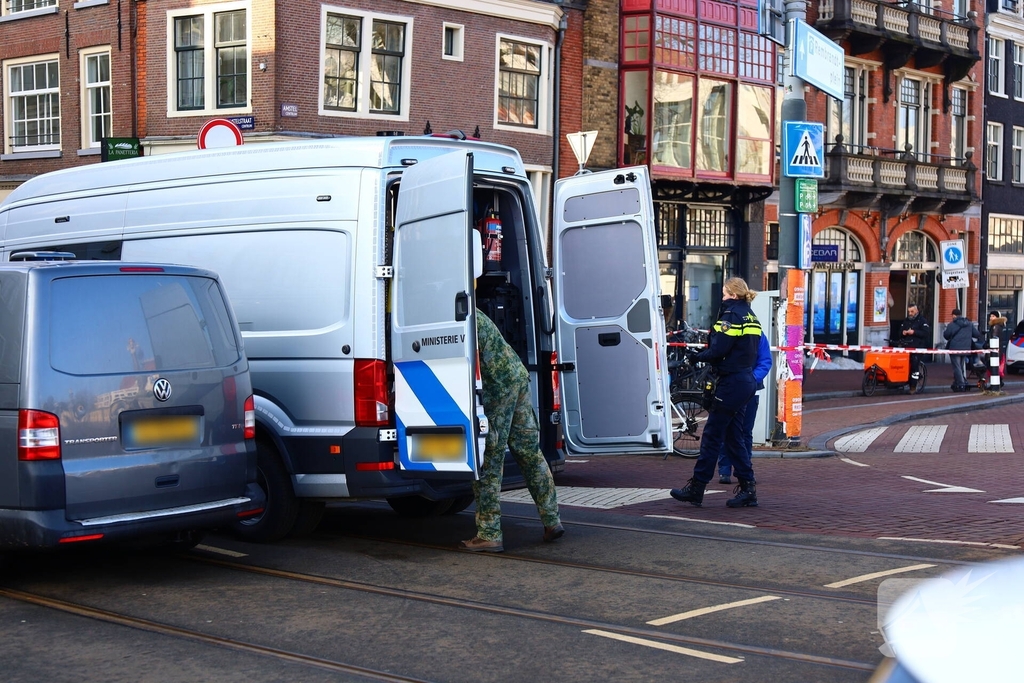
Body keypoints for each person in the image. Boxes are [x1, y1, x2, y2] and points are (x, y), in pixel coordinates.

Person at [460, 309, 563, 552]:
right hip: (516, 376)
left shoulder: (457, 313)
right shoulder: (471, 308)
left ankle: (489, 533)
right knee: (530, 453)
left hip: (497, 385)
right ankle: (552, 520)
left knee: (488, 457)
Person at [670, 277, 762, 508]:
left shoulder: (731, 316)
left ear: (732, 294)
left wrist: (695, 357)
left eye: (723, 294)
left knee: (712, 436)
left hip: (731, 383)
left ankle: (696, 488)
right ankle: (748, 489)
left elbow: (719, 349)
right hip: (745, 381)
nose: (721, 298)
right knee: (733, 437)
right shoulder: (751, 316)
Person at [718, 331, 772, 484]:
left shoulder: (757, 335)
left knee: (744, 431)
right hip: (734, 387)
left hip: (747, 389)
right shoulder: (730, 331)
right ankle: (725, 469)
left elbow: (765, 361)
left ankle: (744, 470)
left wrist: (750, 380)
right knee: (728, 429)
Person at [943, 308, 981, 392]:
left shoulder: (952, 324)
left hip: (955, 348)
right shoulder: (969, 324)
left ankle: (961, 383)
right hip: (966, 349)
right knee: (960, 366)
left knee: (957, 367)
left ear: (954, 315)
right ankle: (960, 381)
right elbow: (976, 334)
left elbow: (946, 335)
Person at [899, 304, 930, 393]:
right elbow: (900, 331)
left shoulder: (922, 321)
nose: (910, 313)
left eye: (912, 311)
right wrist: (903, 332)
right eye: (909, 312)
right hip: (907, 346)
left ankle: (913, 386)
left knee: (914, 363)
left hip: (918, 347)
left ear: (917, 311)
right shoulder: (906, 321)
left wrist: (914, 332)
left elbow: (926, 333)